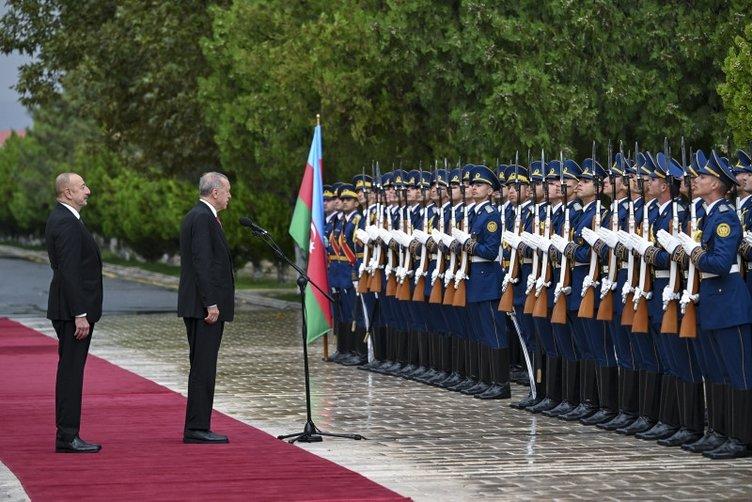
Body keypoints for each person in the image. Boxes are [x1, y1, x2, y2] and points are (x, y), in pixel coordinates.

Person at [46, 172, 103, 453]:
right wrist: (80, 313)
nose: (88, 191)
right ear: (68, 192)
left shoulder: (64, 218)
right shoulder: (66, 222)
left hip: (69, 308)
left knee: (70, 370)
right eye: (82, 187)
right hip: (72, 311)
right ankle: (67, 436)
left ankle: (68, 434)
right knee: (70, 372)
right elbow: (69, 270)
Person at [177, 172, 234, 444]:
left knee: (203, 366)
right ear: (215, 192)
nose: (229, 196)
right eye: (227, 191)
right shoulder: (202, 217)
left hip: (200, 306)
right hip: (203, 308)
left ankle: (198, 424)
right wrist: (211, 302)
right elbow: (202, 262)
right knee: (203, 367)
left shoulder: (200, 215)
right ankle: (197, 427)